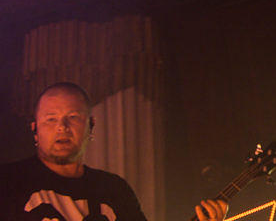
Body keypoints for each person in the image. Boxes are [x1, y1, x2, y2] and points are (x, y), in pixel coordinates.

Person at [0, 82, 228, 221]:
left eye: (73, 117)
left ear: (91, 126)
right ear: (35, 129)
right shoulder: (9, 181)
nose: (62, 127)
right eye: (51, 119)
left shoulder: (113, 189)